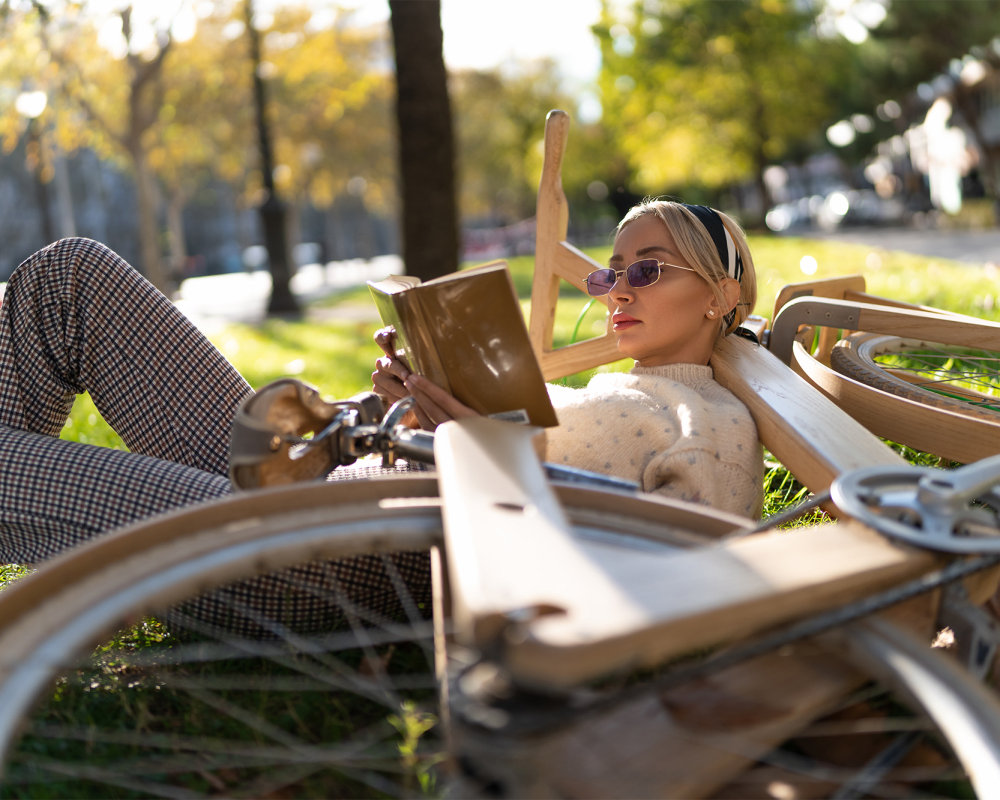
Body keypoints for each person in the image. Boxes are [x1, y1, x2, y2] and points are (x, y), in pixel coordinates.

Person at [373, 199, 765, 518]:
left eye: (647, 270)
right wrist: (417, 395)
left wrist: (487, 456)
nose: (618, 293)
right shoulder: (627, 388)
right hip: (408, 482)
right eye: (611, 276)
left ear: (720, 297)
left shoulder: (709, 427)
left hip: (423, 521)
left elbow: (665, 573)